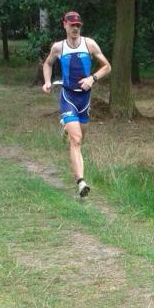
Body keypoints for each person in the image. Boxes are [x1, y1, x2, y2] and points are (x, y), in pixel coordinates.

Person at [42, 11, 111, 197]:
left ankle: (66, 127)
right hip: (68, 97)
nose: (75, 28)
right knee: (76, 139)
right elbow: (48, 64)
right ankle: (81, 182)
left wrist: (92, 78)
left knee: (81, 138)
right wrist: (47, 81)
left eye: (78, 25)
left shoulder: (89, 44)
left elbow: (107, 66)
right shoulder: (59, 47)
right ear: (64, 25)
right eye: (72, 25)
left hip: (85, 99)